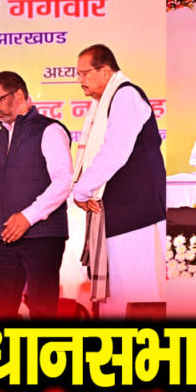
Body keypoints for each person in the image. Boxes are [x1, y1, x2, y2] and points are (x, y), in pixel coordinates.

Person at [0, 71, 73, 319]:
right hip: (6, 237)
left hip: (43, 235)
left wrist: (28, 217)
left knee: (42, 310)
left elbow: (63, 181)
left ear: (19, 95)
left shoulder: (49, 130)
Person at [72, 44, 167, 318]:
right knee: (119, 292)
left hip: (136, 214)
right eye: (78, 75)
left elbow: (115, 151)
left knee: (135, 292)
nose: (80, 80)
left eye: (85, 73)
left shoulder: (125, 96)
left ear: (105, 70)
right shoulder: (103, 103)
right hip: (119, 212)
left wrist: (82, 190)